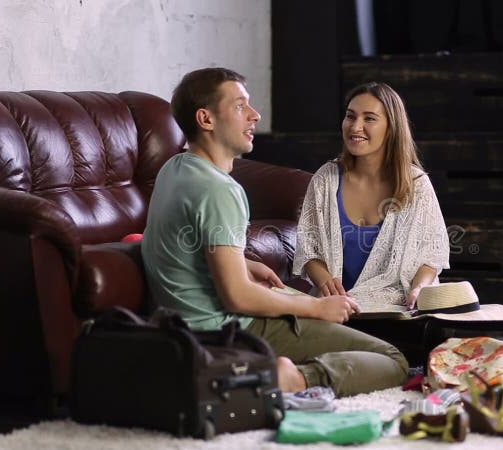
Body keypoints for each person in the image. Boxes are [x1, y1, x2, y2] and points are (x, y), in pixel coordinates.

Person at [141, 68, 408, 397]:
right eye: (240, 106)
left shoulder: (175, 168)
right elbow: (237, 297)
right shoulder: (219, 190)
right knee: (392, 359)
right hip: (227, 330)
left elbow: (179, 244)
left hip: (181, 326)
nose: (255, 115)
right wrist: (317, 308)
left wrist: (239, 261)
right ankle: (292, 379)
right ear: (205, 119)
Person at [293, 82, 450, 310]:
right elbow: (309, 250)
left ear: (391, 127)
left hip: (396, 307)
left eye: (369, 119)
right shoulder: (325, 179)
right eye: (350, 116)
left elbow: (431, 255)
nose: (355, 127)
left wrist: (419, 289)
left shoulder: (416, 184)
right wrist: (325, 282)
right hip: (335, 309)